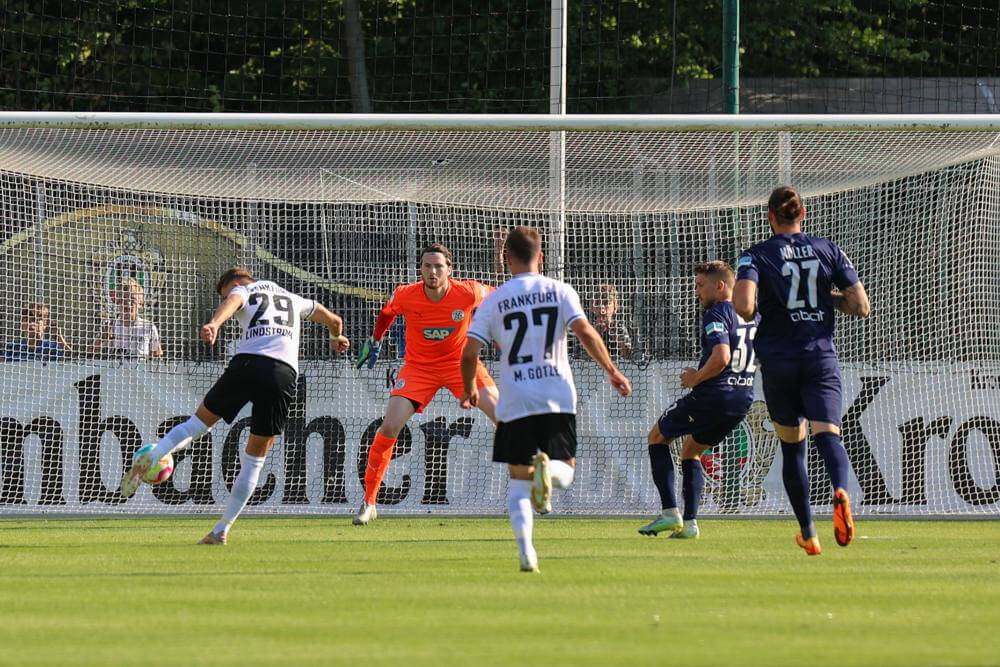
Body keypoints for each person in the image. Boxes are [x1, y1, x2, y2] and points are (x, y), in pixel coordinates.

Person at [119, 267, 350, 544]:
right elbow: (334, 320)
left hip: (248, 364)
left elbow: (235, 301)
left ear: (236, 282)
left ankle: (156, 454)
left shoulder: (244, 289)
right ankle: (221, 530)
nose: (227, 296)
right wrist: (336, 338)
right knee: (254, 462)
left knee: (197, 424)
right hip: (283, 374)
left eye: (225, 291)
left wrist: (215, 323)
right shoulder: (293, 298)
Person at [460, 226, 632, 573]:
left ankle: (527, 554)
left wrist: (469, 388)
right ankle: (550, 474)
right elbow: (586, 332)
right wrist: (612, 370)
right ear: (541, 255)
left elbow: (469, 353)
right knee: (565, 471)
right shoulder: (559, 290)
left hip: (516, 397)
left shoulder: (494, 300)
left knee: (518, 482)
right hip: (556, 394)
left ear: (506, 258)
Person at [733, 185, 870, 556]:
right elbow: (861, 306)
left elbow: (744, 306)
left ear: (770, 217)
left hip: (779, 361)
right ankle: (840, 490)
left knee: (793, 447)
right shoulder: (829, 249)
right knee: (829, 434)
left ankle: (809, 533)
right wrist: (823, 297)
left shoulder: (755, 255)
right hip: (819, 358)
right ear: (803, 214)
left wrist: (767, 305)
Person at [352, 243, 498, 525]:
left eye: (439, 266)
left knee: (504, 417)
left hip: (461, 365)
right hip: (419, 368)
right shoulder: (406, 294)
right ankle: (369, 502)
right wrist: (376, 339)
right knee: (390, 426)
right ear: (420, 269)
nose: (433, 271)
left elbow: (499, 296)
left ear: (449, 270)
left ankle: (533, 483)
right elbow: (386, 313)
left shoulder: (467, 292)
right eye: (427, 266)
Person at [638, 261, 759, 539]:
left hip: (714, 395)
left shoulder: (717, 312)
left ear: (720, 286)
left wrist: (696, 377)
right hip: (742, 399)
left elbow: (722, 357)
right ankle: (690, 523)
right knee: (691, 450)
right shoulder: (752, 314)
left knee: (657, 437)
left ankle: (670, 513)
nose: (697, 292)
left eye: (700, 285)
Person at [91, 278, 163, 359]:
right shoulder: (109, 325)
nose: (128, 303)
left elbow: (157, 355)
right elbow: (90, 353)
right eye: (123, 299)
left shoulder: (148, 327)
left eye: (132, 299)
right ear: (117, 301)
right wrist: (102, 338)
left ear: (141, 303)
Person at [3, 302, 71, 361]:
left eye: (35, 320)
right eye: (26, 320)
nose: (31, 324)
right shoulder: (13, 348)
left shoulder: (52, 347)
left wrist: (59, 336)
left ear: (45, 323)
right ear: (21, 323)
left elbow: (70, 358)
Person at [588, 283, 633, 360]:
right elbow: (582, 360)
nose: (601, 309)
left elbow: (629, 357)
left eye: (606, 303)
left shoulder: (620, 328)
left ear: (615, 307)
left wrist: (617, 337)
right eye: (597, 303)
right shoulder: (587, 328)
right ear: (592, 307)